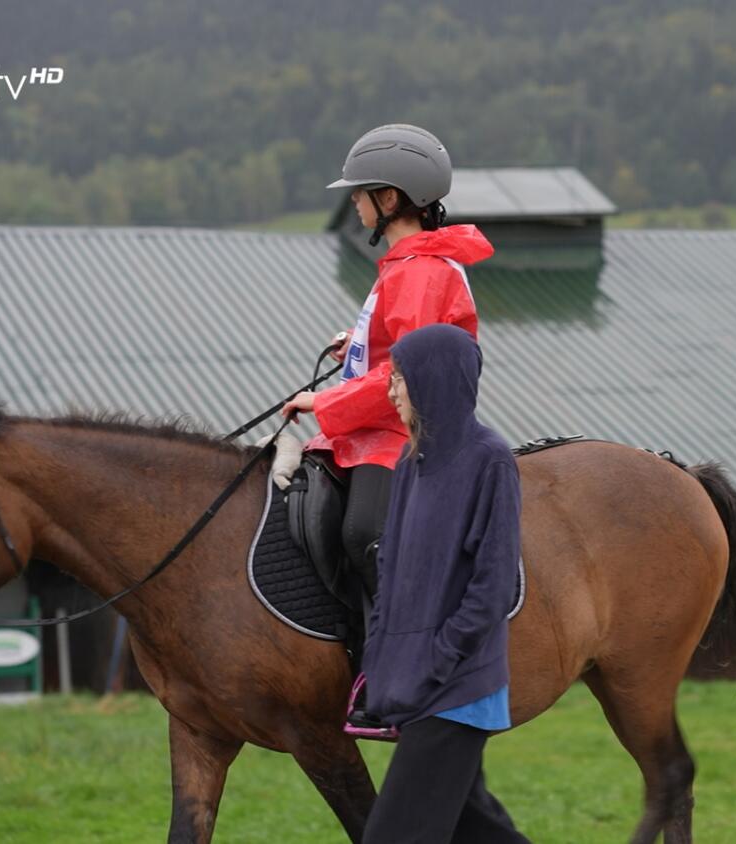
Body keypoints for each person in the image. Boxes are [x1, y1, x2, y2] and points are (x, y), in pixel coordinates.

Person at [280, 124, 493, 725]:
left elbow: (410, 374)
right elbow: (396, 344)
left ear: (391, 200)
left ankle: (408, 669)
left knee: (363, 533)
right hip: (376, 425)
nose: (353, 201)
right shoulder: (407, 264)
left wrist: (323, 404)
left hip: (402, 432)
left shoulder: (422, 271)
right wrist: (357, 342)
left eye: (361, 191)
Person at [361, 323, 529, 843]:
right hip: (417, 681)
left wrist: (438, 656)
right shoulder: (410, 463)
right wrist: (382, 651)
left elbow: (495, 583)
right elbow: (391, 568)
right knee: (477, 831)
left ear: (433, 380)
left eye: (400, 378)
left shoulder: (490, 460)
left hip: (459, 684)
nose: (391, 389)